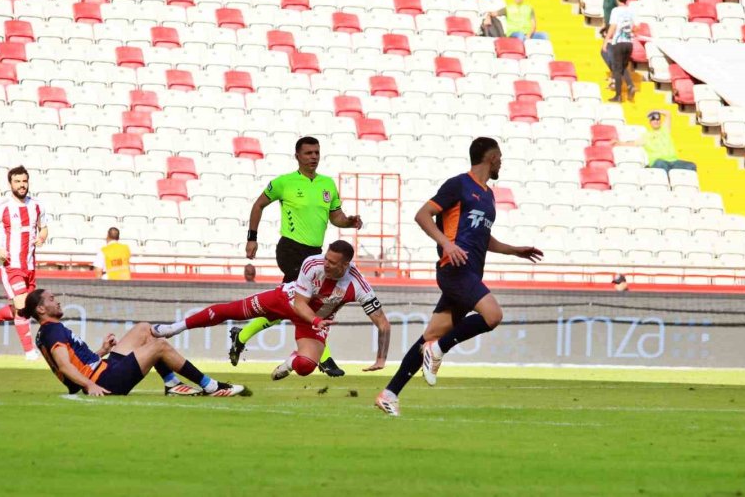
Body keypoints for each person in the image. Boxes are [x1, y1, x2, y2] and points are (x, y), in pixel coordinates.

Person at [374, 138, 543, 417]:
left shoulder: (488, 195)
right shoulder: (458, 184)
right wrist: (447, 245)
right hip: (454, 270)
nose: (501, 162)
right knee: (493, 316)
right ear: (492, 158)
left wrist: (514, 251)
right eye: (500, 158)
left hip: (471, 273)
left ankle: (389, 394)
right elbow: (422, 215)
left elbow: (482, 236)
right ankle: (438, 349)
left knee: (429, 335)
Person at [152, 240, 391, 381]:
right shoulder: (312, 263)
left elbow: (383, 323)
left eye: (332, 262)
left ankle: (289, 362)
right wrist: (317, 320)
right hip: (286, 301)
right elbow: (299, 304)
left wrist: (381, 359)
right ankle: (174, 328)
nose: (325, 263)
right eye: (326, 258)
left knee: (306, 367)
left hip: (313, 320)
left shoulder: (358, 284)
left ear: (345, 265)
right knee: (230, 310)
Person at [235, 136, 363, 377]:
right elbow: (258, 205)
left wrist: (349, 222)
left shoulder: (327, 184)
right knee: (305, 301)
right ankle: (323, 357)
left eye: (316, 152)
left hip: (315, 254)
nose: (313, 156)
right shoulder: (285, 183)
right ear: (297, 156)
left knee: (286, 306)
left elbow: (336, 217)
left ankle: (241, 335)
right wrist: (252, 237)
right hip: (290, 249)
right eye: (308, 153)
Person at [26, 289, 246, 397]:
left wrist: (102, 351)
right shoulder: (52, 331)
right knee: (159, 346)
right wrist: (89, 385)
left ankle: (171, 383)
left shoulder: (48, 331)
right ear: (41, 309)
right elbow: (64, 367)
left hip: (103, 370)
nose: (58, 301)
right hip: (105, 381)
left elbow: (76, 363)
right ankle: (210, 386)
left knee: (143, 329)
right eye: (52, 299)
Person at [0, 166, 48, 360]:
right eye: (17, 181)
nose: (22, 185)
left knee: (24, 307)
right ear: (10, 184)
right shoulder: (3, 206)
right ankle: (29, 352)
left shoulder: (37, 205)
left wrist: (42, 237)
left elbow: (44, 228)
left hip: (29, 265)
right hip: (10, 264)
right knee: (22, 304)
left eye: (24, 181)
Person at [620, 111, 697, 172]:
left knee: (691, 166)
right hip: (658, 162)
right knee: (661, 163)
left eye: (658, 119)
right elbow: (633, 143)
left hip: (673, 161)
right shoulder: (646, 135)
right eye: (653, 120)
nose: (656, 121)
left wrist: (655, 110)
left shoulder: (665, 130)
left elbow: (668, 113)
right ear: (650, 122)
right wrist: (619, 143)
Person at [604, 0, 636, 102]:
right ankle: (630, 85)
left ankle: (618, 95)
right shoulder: (631, 11)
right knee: (623, 67)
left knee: (617, 69)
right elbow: (635, 27)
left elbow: (613, 26)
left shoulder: (616, 11)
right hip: (629, 43)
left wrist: (605, 41)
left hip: (619, 42)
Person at [599, 0, 617, 87]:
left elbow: (621, 10)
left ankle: (615, 78)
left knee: (607, 52)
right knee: (605, 53)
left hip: (615, 32)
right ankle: (615, 75)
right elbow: (606, 12)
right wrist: (603, 25)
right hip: (608, 31)